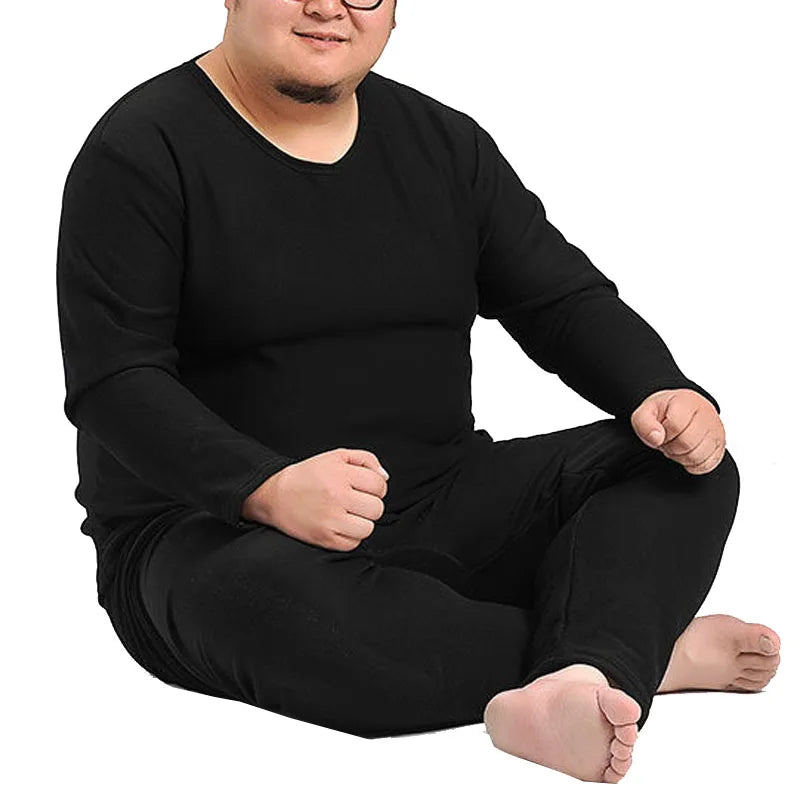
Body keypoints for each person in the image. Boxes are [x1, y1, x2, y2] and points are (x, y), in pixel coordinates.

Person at [55, 0, 781, 784]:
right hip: (218, 536)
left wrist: (659, 390)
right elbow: (115, 382)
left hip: (444, 501)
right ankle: (633, 657)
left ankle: (585, 669)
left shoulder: (443, 143)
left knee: (679, 467)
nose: (329, 7)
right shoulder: (141, 149)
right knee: (277, 609)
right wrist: (266, 488)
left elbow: (560, 301)